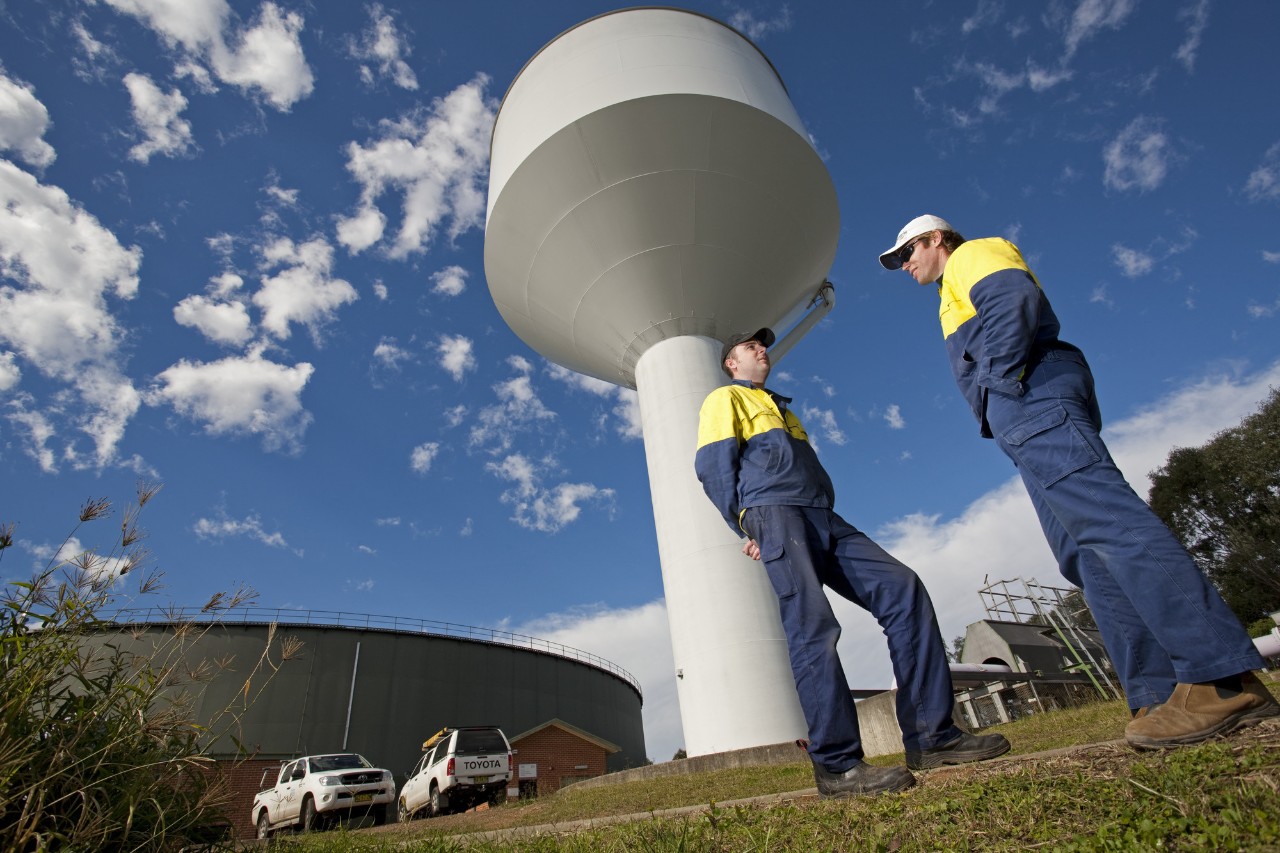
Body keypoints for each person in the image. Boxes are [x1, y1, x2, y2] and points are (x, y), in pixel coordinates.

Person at [878, 214, 1279, 750]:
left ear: (936, 240)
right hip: (1021, 414)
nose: (904, 264)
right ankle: (1157, 693)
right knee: (1085, 554)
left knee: (1110, 525)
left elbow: (1012, 301)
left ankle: (1221, 678)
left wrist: (998, 387)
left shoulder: (972, 256)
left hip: (1031, 395)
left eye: (908, 251)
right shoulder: (948, 292)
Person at [694, 328, 1010, 798]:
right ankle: (838, 766)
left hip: (822, 516)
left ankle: (931, 736)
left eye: (763, 344)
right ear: (731, 365)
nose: (761, 349)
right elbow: (713, 467)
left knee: (903, 588)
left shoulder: (783, 408)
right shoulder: (726, 400)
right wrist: (747, 522)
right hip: (776, 513)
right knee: (813, 625)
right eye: (749, 347)